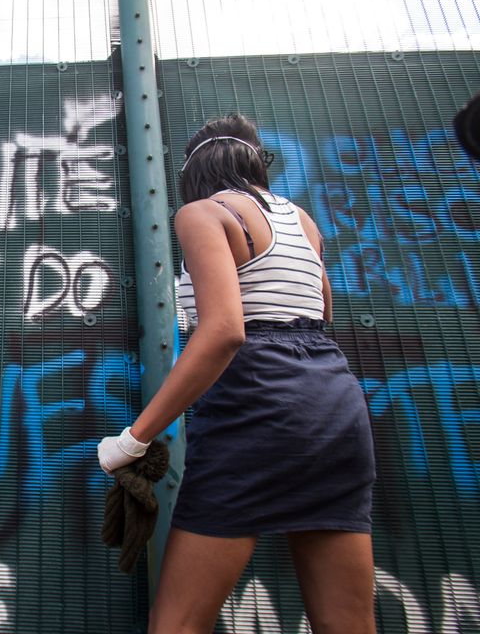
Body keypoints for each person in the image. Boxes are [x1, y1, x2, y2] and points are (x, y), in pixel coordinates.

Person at [98, 113, 377, 634]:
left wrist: (135, 438)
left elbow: (226, 330)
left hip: (257, 410)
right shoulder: (304, 221)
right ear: (254, 160)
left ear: (192, 169)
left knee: (176, 624)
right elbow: (321, 317)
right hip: (335, 406)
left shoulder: (202, 213)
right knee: (349, 624)